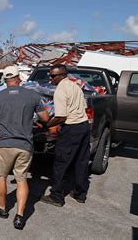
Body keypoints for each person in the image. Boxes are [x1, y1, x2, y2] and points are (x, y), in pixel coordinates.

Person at [0, 66, 49, 230]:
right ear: (19, 78)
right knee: (21, 179)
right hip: (24, 145)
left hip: (4, 144)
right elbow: (45, 117)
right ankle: (20, 217)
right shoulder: (33, 95)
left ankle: (2, 209)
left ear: (5, 80)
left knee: (1, 176)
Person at [41, 64, 90, 206]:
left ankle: (56, 196)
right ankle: (80, 194)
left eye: (53, 76)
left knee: (61, 162)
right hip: (83, 127)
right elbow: (83, 107)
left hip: (71, 129)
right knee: (81, 161)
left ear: (62, 75)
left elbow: (61, 117)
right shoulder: (75, 86)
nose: (50, 79)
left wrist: (45, 125)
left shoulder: (60, 90)